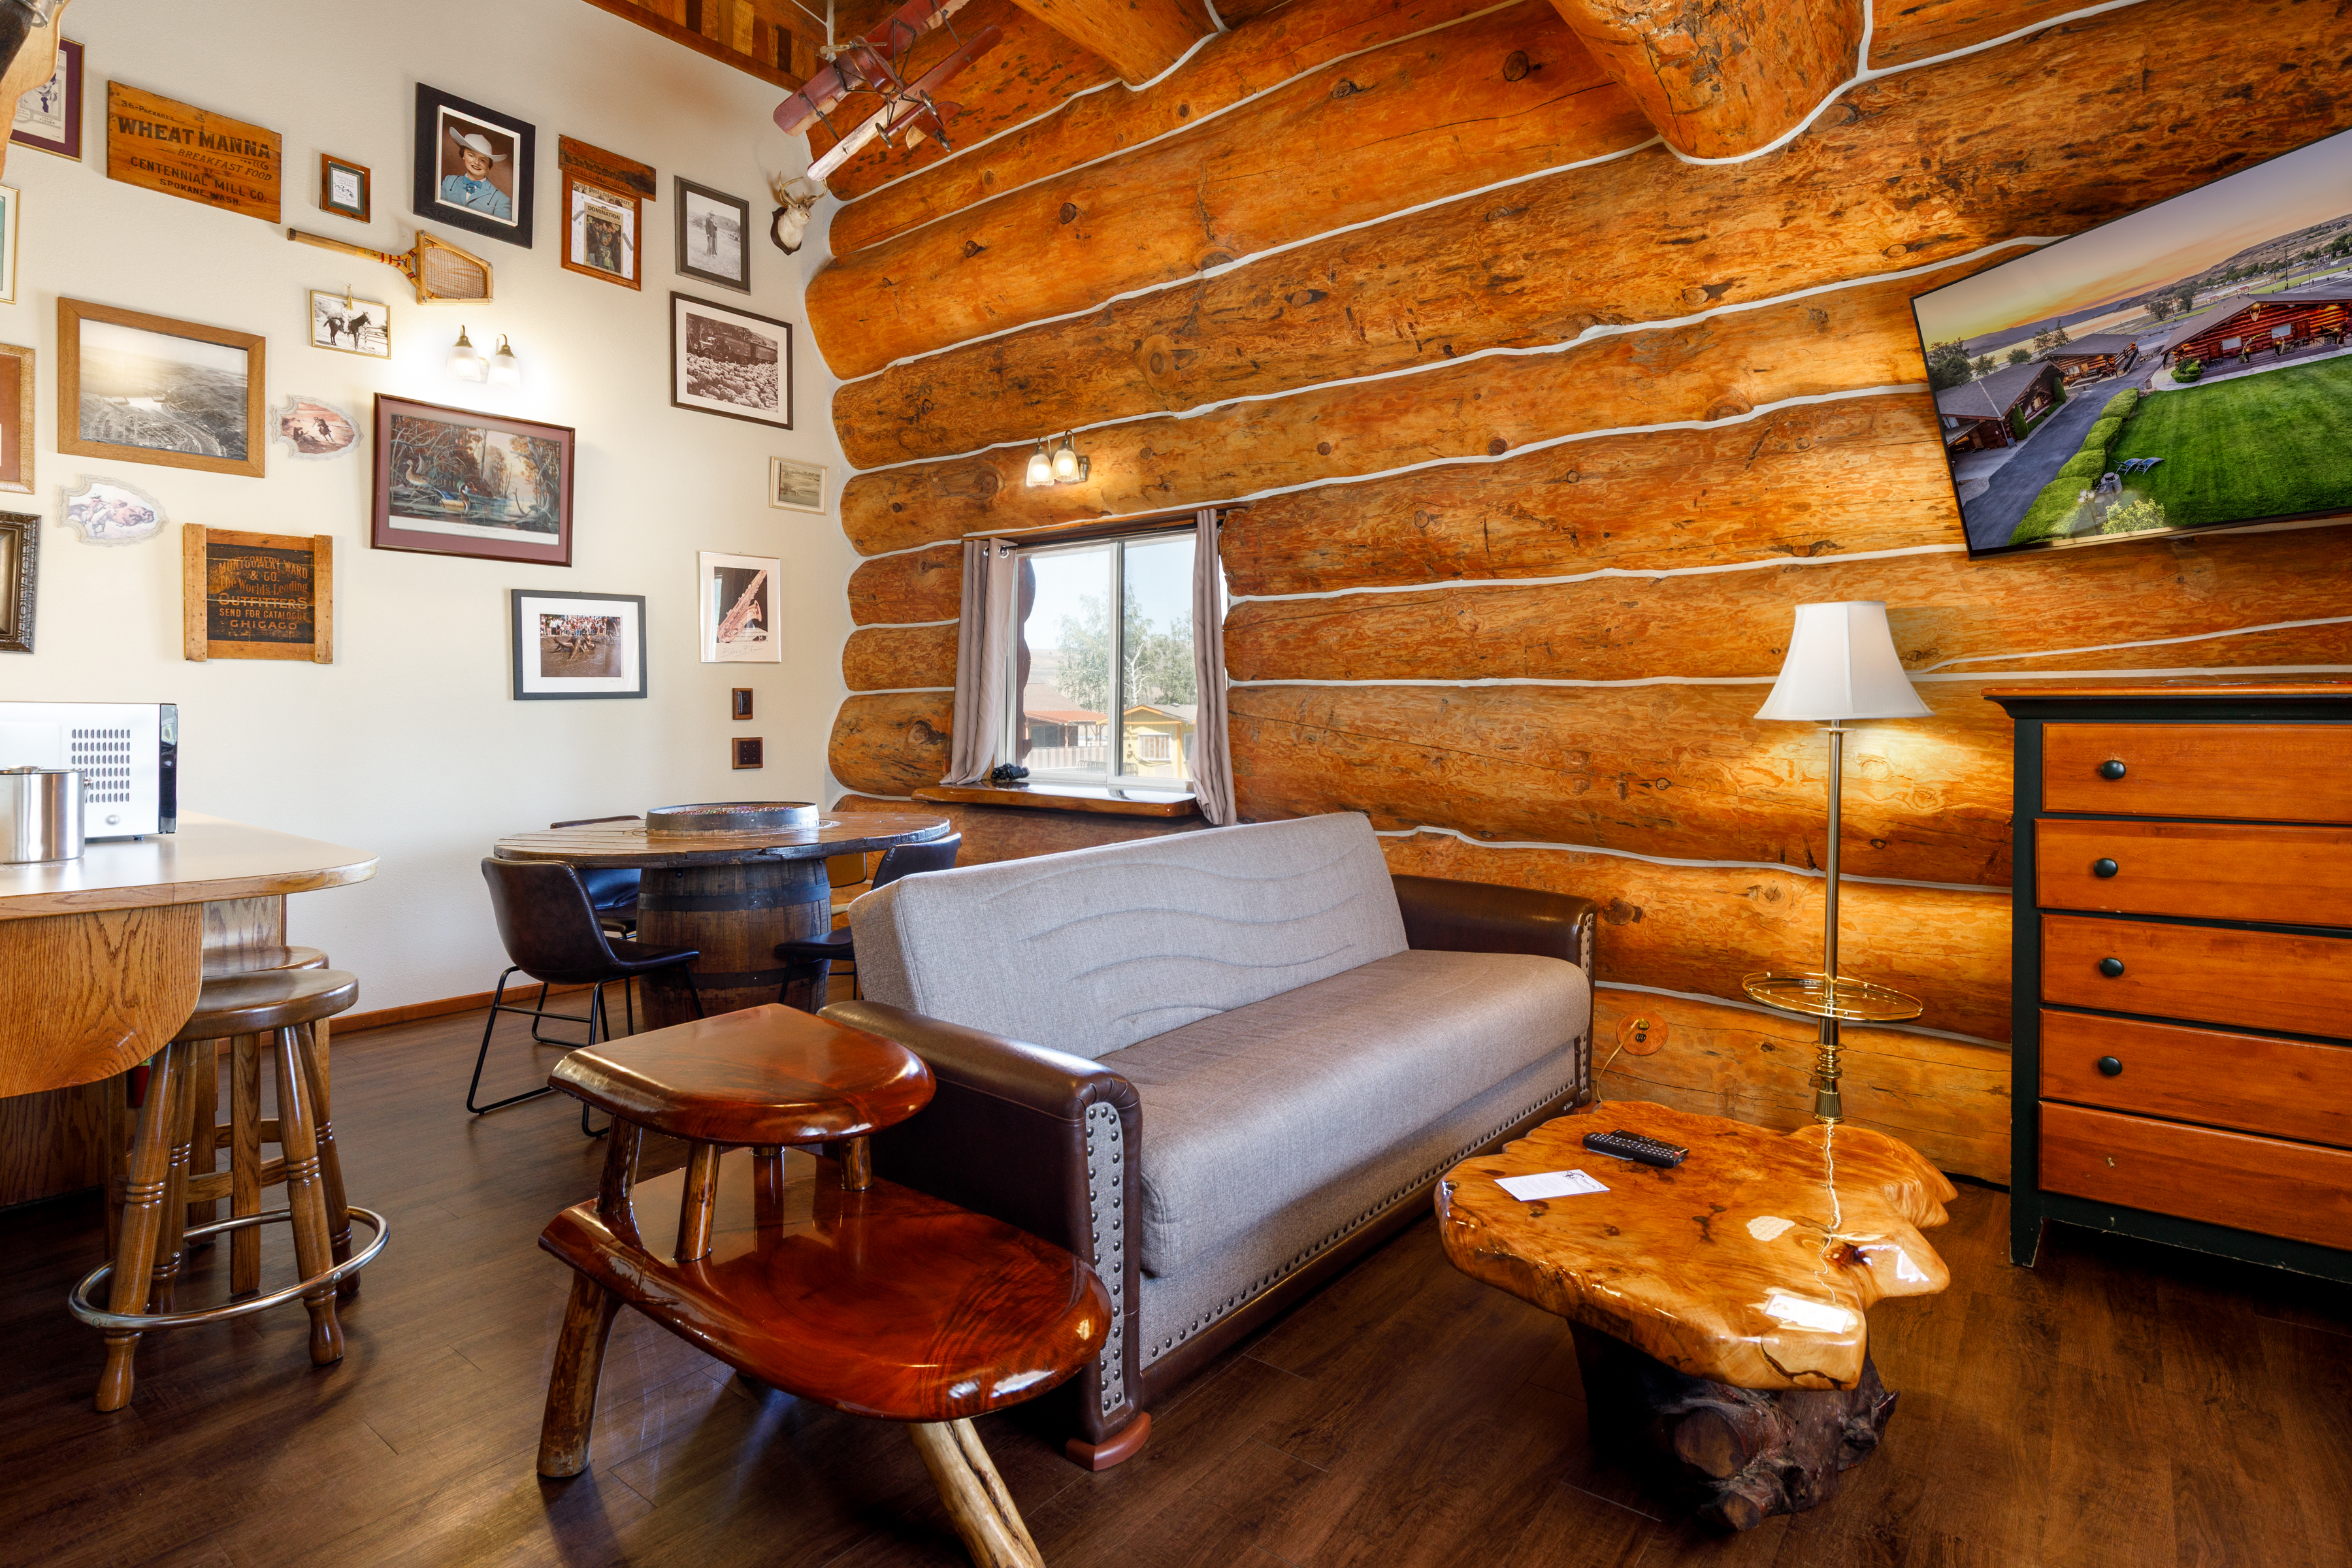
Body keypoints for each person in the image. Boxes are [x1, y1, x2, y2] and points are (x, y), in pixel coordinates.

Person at [440, 127, 513, 222]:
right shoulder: (449, 182)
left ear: (489, 166)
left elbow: (500, 230)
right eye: (471, 155)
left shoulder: (501, 200)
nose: (477, 162)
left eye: (483, 160)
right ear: (463, 155)